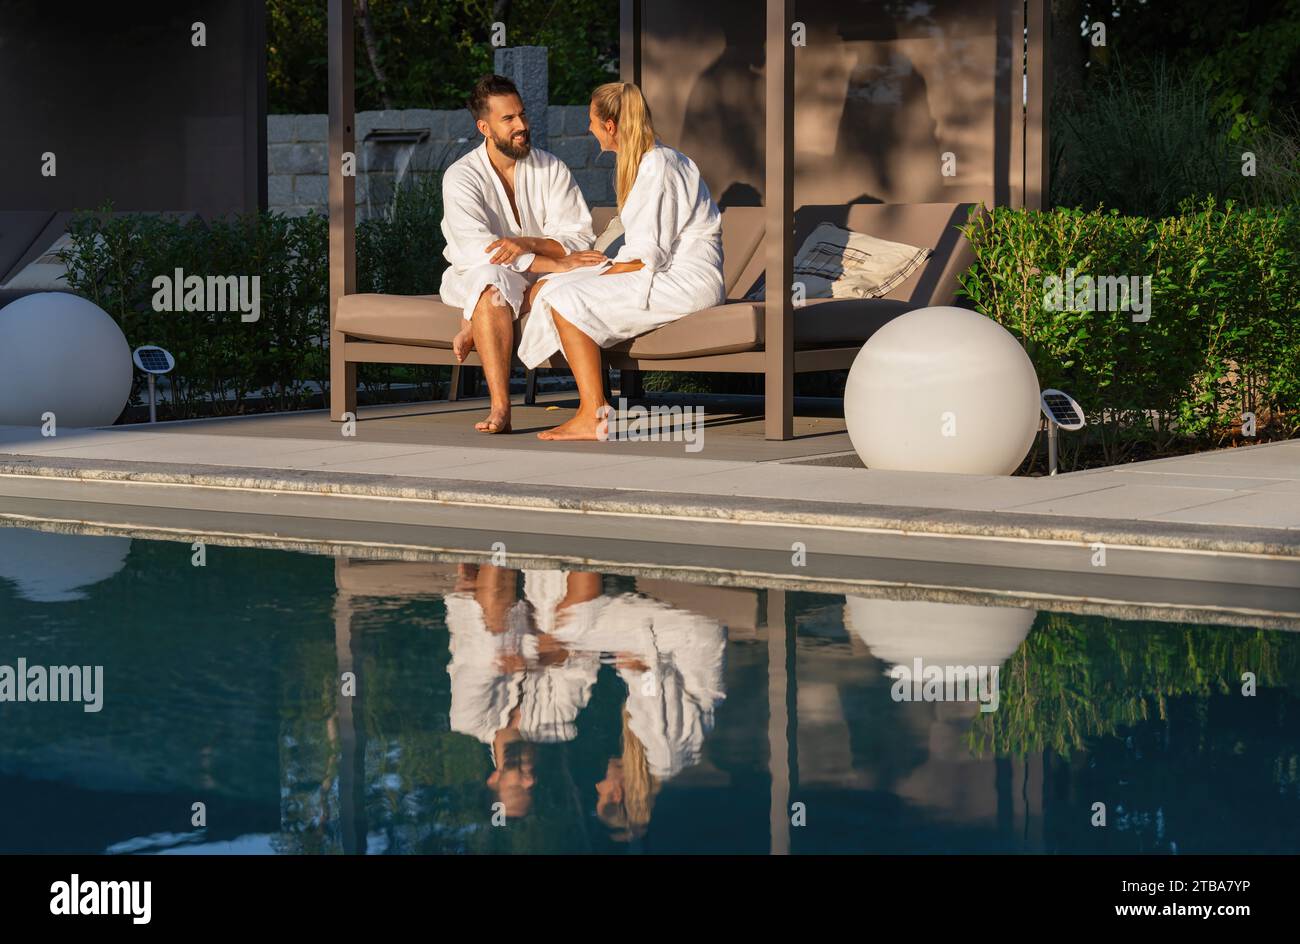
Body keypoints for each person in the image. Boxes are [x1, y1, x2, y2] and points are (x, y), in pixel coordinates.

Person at [517, 82, 725, 441]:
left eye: (592, 121)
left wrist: (596, 274)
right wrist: (587, 271)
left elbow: (647, 255)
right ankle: (594, 409)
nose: (589, 128)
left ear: (610, 126)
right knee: (550, 287)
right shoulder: (650, 161)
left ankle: (593, 414)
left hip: (685, 282)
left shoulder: (658, 165)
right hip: (665, 274)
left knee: (566, 299)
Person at [439, 74, 606, 434]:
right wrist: (555, 260)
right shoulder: (461, 177)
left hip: (543, 276)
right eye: (509, 119)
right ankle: (501, 406)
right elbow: (481, 250)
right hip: (480, 272)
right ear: (484, 127)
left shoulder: (551, 168)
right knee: (490, 282)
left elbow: (578, 236)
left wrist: (529, 244)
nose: (522, 126)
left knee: (586, 274)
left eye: (522, 115)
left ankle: (474, 322)